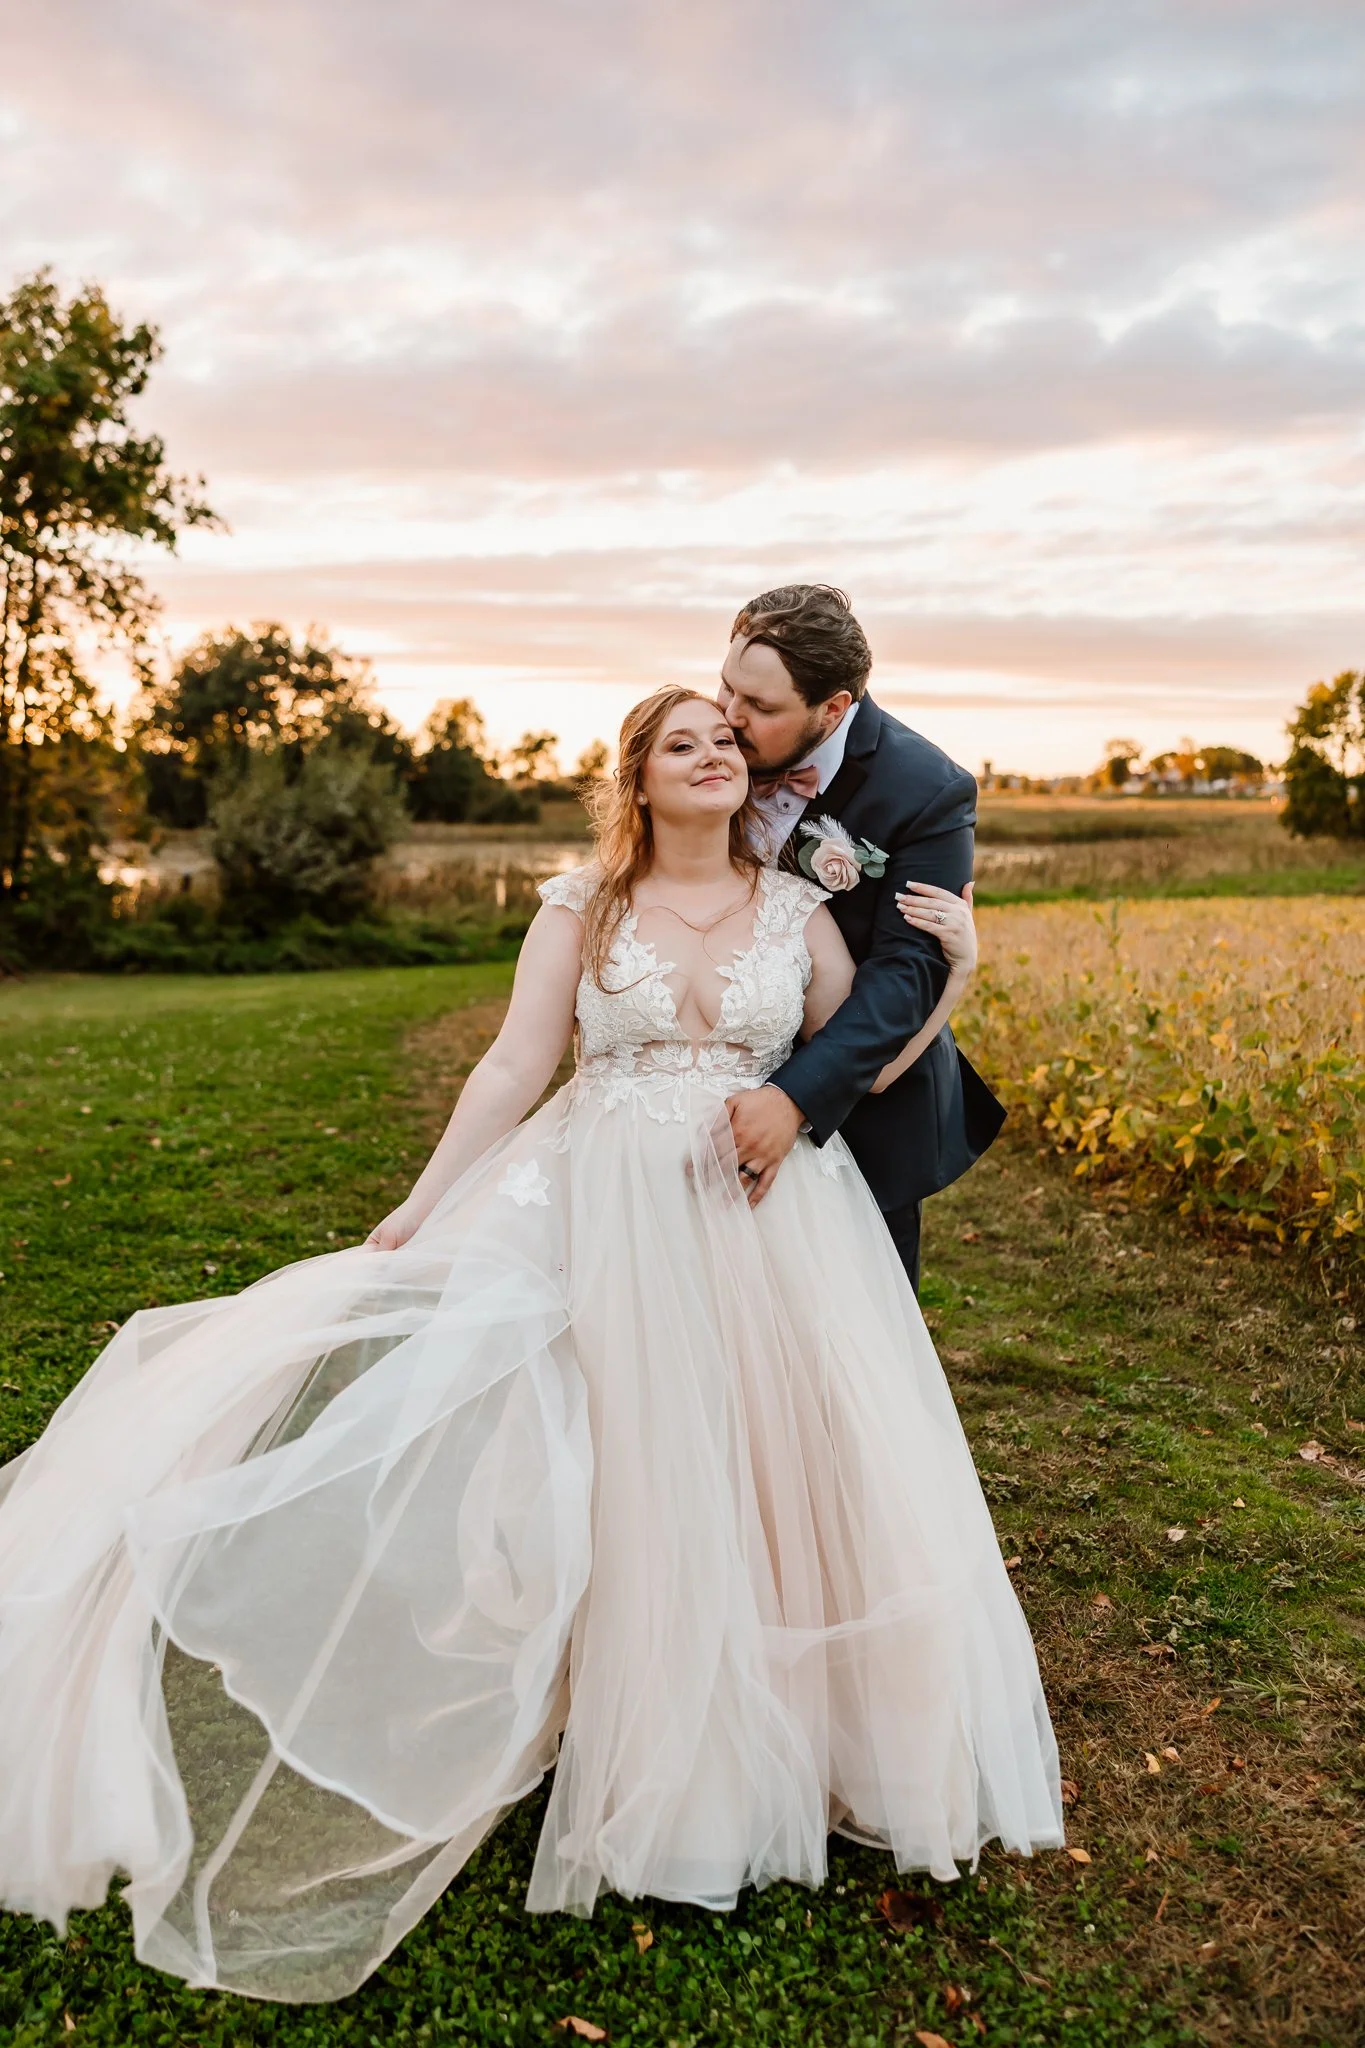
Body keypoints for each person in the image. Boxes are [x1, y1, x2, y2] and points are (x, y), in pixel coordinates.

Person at [0, 687, 1062, 2005]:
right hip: (608, 1209)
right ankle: (648, 1740)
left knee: (776, 1465)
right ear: (637, 777)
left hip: (772, 1215)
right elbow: (511, 1068)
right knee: (633, 1464)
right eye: (684, 743)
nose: (714, 754)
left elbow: (863, 1062)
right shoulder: (579, 908)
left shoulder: (799, 908)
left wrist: (959, 969)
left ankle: (802, 1737)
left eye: (727, 741)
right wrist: (423, 1201)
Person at [719, 583, 1005, 1291]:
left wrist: (794, 1097)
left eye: (760, 706)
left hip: (858, 1110)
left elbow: (905, 971)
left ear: (833, 707)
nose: (729, 717)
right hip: (706, 1080)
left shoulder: (927, 789)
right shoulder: (707, 748)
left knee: (855, 1330)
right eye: (726, 688)